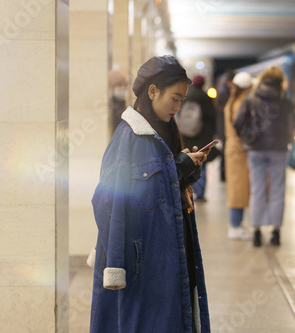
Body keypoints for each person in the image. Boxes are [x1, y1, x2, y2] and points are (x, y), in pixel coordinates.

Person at [88, 55, 210, 333]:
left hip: (168, 253)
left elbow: (159, 188)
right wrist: (115, 263)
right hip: (145, 263)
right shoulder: (128, 139)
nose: (178, 108)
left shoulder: (160, 132)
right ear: (153, 91)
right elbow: (108, 202)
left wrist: (186, 166)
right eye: (175, 98)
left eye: (182, 100)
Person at [233, 66, 295, 247]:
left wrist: (247, 139)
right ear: (280, 82)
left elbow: (237, 122)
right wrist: (286, 139)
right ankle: (276, 232)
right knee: (277, 189)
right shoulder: (285, 100)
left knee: (257, 189)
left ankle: (256, 232)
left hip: (256, 149)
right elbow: (294, 126)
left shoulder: (251, 98)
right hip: (279, 149)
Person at [224, 72, 254, 240]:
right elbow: (241, 127)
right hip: (239, 149)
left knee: (238, 188)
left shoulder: (231, 101)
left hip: (234, 149)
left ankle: (237, 224)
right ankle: (235, 226)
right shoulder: (240, 103)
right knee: (238, 190)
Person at [180, 75, 217, 201]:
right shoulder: (204, 97)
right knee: (202, 162)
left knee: (189, 160)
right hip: (203, 135)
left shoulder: (187, 96)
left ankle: (190, 190)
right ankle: (200, 193)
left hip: (187, 135)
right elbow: (212, 116)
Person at [108, 68, 128, 137]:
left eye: (125, 85)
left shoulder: (125, 106)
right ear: (111, 87)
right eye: (119, 85)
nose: (123, 88)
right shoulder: (109, 107)